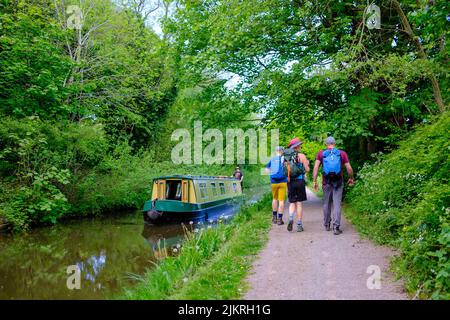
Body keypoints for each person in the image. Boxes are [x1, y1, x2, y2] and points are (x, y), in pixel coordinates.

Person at [312, 136, 354, 235]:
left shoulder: (321, 154)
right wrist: (351, 178)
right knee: (337, 204)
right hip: (338, 181)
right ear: (334, 143)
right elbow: (349, 168)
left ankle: (327, 225)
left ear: (326, 144)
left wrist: (314, 181)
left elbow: (316, 167)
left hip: (326, 182)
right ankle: (336, 227)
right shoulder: (342, 153)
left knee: (326, 203)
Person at [285, 137, 310, 232]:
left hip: (290, 181)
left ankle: (291, 217)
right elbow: (307, 170)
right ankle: (299, 225)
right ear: (297, 146)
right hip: (300, 181)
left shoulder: (286, 156)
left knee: (292, 203)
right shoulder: (302, 156)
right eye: (299, 145)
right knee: (299, 203)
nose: (300, 146)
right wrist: (306, 164)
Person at [265, 146, 288, 225]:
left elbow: (266, 171)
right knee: (281, 201)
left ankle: (274, 218)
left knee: (274, 199)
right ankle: (279, 219)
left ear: (276, 151)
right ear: (282, 151)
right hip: (283, 182)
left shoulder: (272, 159)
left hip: (274, 182)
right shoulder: (284, 160)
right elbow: (288, 169)